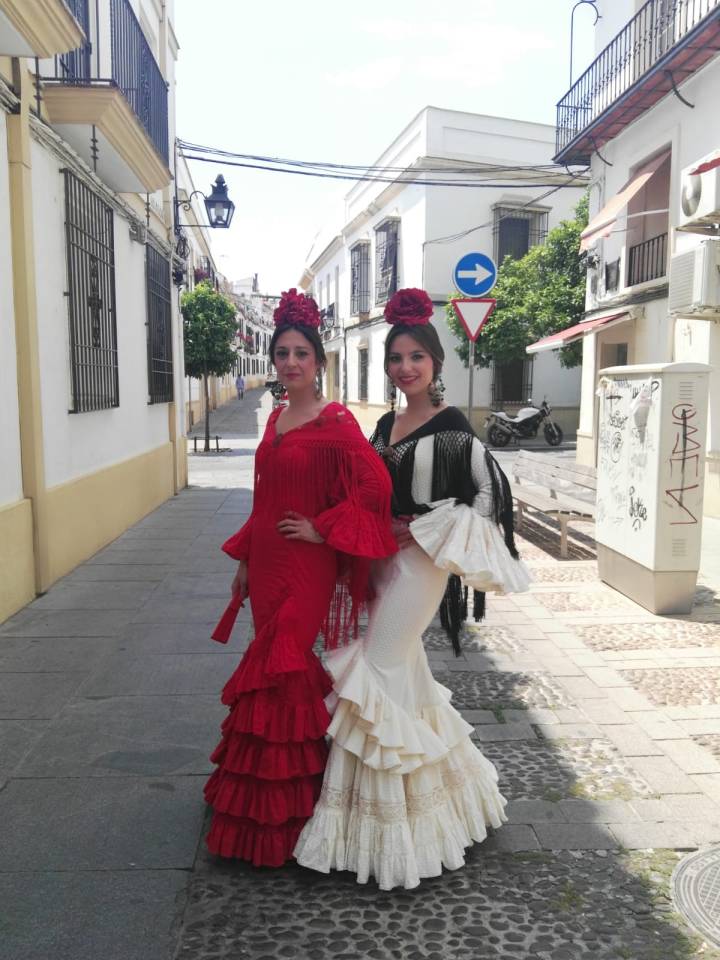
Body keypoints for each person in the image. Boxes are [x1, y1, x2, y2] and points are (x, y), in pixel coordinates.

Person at [294, 287, 531, 890]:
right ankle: (453, 802)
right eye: (395, 359)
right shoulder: (384, 423)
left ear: (435, 362)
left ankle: (390, 829)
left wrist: (426, 529)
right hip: (379, 563)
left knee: (374, 667)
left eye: (415, 358)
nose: (405, 368)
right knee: (404, 677)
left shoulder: (453, 426)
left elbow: (490, 496)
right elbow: (363, 491)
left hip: (420, 567)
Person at [205, 288, 397, 867]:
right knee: (269, 674)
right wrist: (243, 563)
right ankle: (259, 801)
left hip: (305, 568)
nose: (291, 363)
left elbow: (375, 489)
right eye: (282, 353)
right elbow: (265, 498)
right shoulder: (277, 418)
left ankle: (290, 808)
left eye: (301, 354)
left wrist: (323, 529)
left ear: (319, 362)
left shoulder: (337, 422)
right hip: (265, 564)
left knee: (284, 663)